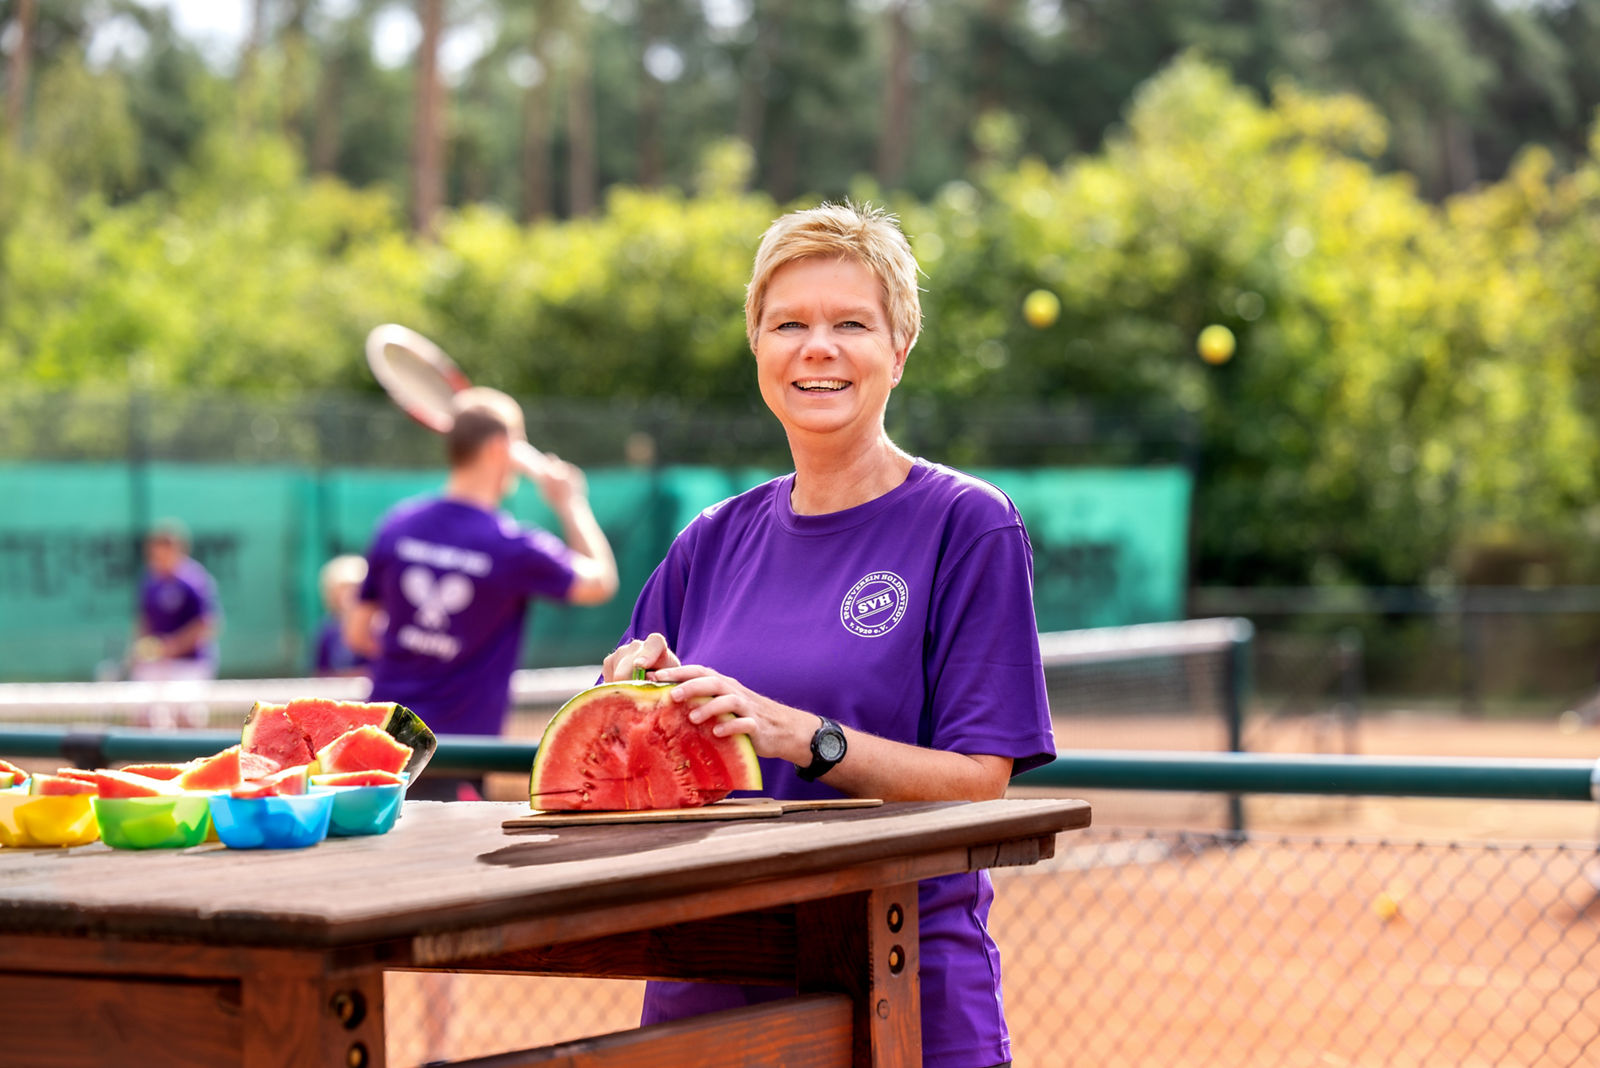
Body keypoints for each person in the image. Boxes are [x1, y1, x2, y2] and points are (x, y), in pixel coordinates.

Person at [601, 202, 1054, 1068]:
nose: (818, 347)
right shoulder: (710, 538)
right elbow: (625, 751)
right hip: (703, 980)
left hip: (898, 982)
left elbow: (978, 784)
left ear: (899, 350)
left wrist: (802, 736)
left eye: (852, 323)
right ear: (759, 351)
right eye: (789, 324)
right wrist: (630, 693)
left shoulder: (968, 524)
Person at [346, 387, 618, 800]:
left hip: (381, 745)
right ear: (498, 449)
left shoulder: (397, 525)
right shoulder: (511, 546)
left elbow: (357, 633)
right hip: (460, 756)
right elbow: (600, 582)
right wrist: (569, 501)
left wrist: (416, 643)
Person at [311, 554, 372, 677]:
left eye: (355, 586)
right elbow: (319, 672)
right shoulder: (327, 631)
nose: (350, 592)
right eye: (343, 587)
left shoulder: (378, 629)